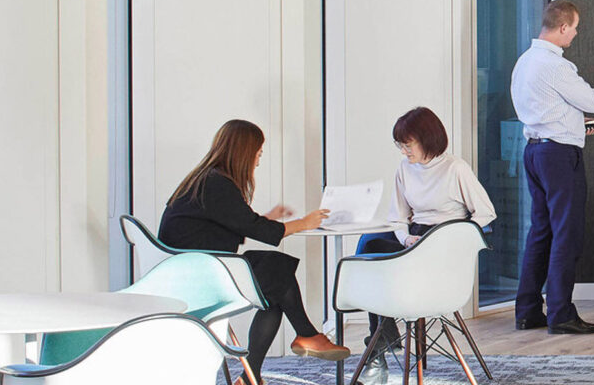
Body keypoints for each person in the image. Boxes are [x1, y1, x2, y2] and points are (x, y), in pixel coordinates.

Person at [159, 119, 349, 385]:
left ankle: (256, 374)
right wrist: (303, 223)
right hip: (203, 275)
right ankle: (306, 335)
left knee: (274, 283)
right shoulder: (217, 183)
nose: (258, 161)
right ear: (244, 152)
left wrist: (267, 220)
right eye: (258, 154)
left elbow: (228, 223)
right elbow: (251, 226)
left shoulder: (206, 179)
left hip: (194, 267)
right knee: (277, 274)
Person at [356, 107, 498, 382]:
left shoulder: (455, 168)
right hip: (414, 239)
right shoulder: (404, 169)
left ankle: (378, 347)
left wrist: (449, 235)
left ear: (427, 139)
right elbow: (397, 218)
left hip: (443, 241)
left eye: (408, 145)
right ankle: (383, 340)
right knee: (370, 247)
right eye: (400, 146)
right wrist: (406, 238)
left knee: (376, 257)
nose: (404, 152)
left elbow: (486, 213)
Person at [510, 0, 594, 334]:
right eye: (574, 28)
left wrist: (575, 125)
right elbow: (592, 100)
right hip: (559, 157)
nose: (575, 33)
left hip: (535, 152)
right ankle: (561, 314)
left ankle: (528, 311)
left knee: (541, 232)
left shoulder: (525, 62)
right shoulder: (556, 66)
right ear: (562, 28)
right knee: (566, 234)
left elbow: (541, 108)